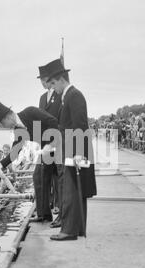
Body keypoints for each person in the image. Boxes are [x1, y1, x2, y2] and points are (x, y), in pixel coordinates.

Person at [45, 58, 97, 241]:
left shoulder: (74, 95)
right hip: (70, 149)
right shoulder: (67, 96)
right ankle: (75, 228)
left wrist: (78, 155)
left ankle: (69, 230)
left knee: (72, 190)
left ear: (61, 79)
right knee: (73, 189)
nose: (52, 88)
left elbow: (80, 126)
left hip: (75, 151)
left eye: (52, 83)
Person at [0, 102, 59, 223]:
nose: (4, 126)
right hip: (46, 151)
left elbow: (53, 121)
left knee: (59, 180)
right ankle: (44, 215)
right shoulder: (18, 130)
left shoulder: (30, 112)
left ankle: (62, 215)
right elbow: (15, 151)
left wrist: (50, 144)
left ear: (8, 116)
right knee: (38, 177)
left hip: (59, 145)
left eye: (2, 123)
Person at [37, 64, 63, 228]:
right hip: (45, 144)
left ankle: (60, 209)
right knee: (42, 176)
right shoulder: (41, 98)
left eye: (43, 79)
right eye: (40, 80)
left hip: (57, 141)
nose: (42, 82)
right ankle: (44, 213)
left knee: (59, 177)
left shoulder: (60, 95)